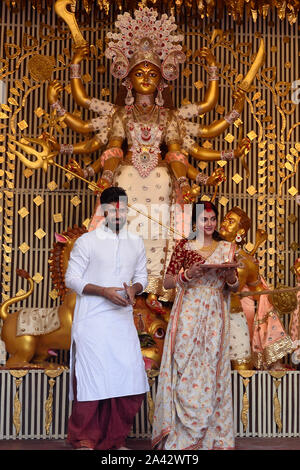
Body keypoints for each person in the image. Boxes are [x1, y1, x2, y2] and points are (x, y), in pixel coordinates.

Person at [64, 186, 149, 450]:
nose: (119, 213)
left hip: (122, 321)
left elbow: (142, 277)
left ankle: (115, 439)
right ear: (103, 210)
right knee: (93, 380)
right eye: (113, 209)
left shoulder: (136, 242)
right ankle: (85, 439)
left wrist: (134, 290)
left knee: (131, 379)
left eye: (123, 209)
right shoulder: (86, 242)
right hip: (92, 322)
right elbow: (72, 279)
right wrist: (103, 291)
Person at [152, 201, 239, 450]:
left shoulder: (227, 248)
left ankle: (210, 437)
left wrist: (232, 277)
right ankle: (182, 433)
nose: (209, 224)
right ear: (194, 223)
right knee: (184, 361)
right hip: (189, 308)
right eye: (204, 220)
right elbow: (167, 282)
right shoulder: (184, 246)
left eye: (212, 219)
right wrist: (187, 275)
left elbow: (233, 286)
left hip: (214, 312)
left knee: (211, 365)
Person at [219, 207, 294, 370]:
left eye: (230, 221)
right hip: (210, 315)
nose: (224, 223)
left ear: (240, 231)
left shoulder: (247, 261)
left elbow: (258, 292)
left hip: (235, 316)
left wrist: (275, 295)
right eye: (224, 219)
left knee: (243, 370)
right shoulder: (208, 252)